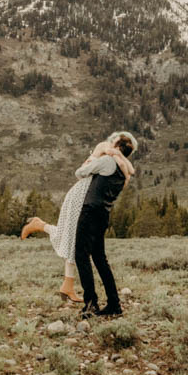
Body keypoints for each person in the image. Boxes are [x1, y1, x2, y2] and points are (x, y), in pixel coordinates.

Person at [21, 133, 137, 302]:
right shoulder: (115, 160)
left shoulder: (111, 159)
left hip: (86, 200)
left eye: (114, 143)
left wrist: (100, 157)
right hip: (82, 198)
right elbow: (85, 173)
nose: (110, 144)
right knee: (72, 239)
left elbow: (84, 171)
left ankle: (68, 286)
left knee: (73, 240)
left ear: (118, 147)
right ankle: (40, 226)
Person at [73, 130, 137, 318]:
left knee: (81, 255)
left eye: (112, 143)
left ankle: (91, 303)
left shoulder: (108, 162)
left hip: (90, 211)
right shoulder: (124, 174)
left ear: (117, 147)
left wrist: (93, 155)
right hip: (104, 213)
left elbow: (80, 173)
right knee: (100, 259)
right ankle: (114, 304)